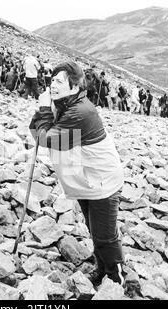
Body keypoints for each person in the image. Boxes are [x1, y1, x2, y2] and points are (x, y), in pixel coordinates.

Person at [29, 61, 125, 286]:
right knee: (95, 230)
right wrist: (45, 110)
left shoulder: (80, 112)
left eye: (59, 81)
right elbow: (38, 130)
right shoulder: (64, 105)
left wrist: (44, 109)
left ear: (74, 87)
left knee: (105, 236)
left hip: (102, 181)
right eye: (52, 80)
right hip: (87, 178)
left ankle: (119, 281)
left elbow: (46, 139)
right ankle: (102, 269)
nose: (52, 84)